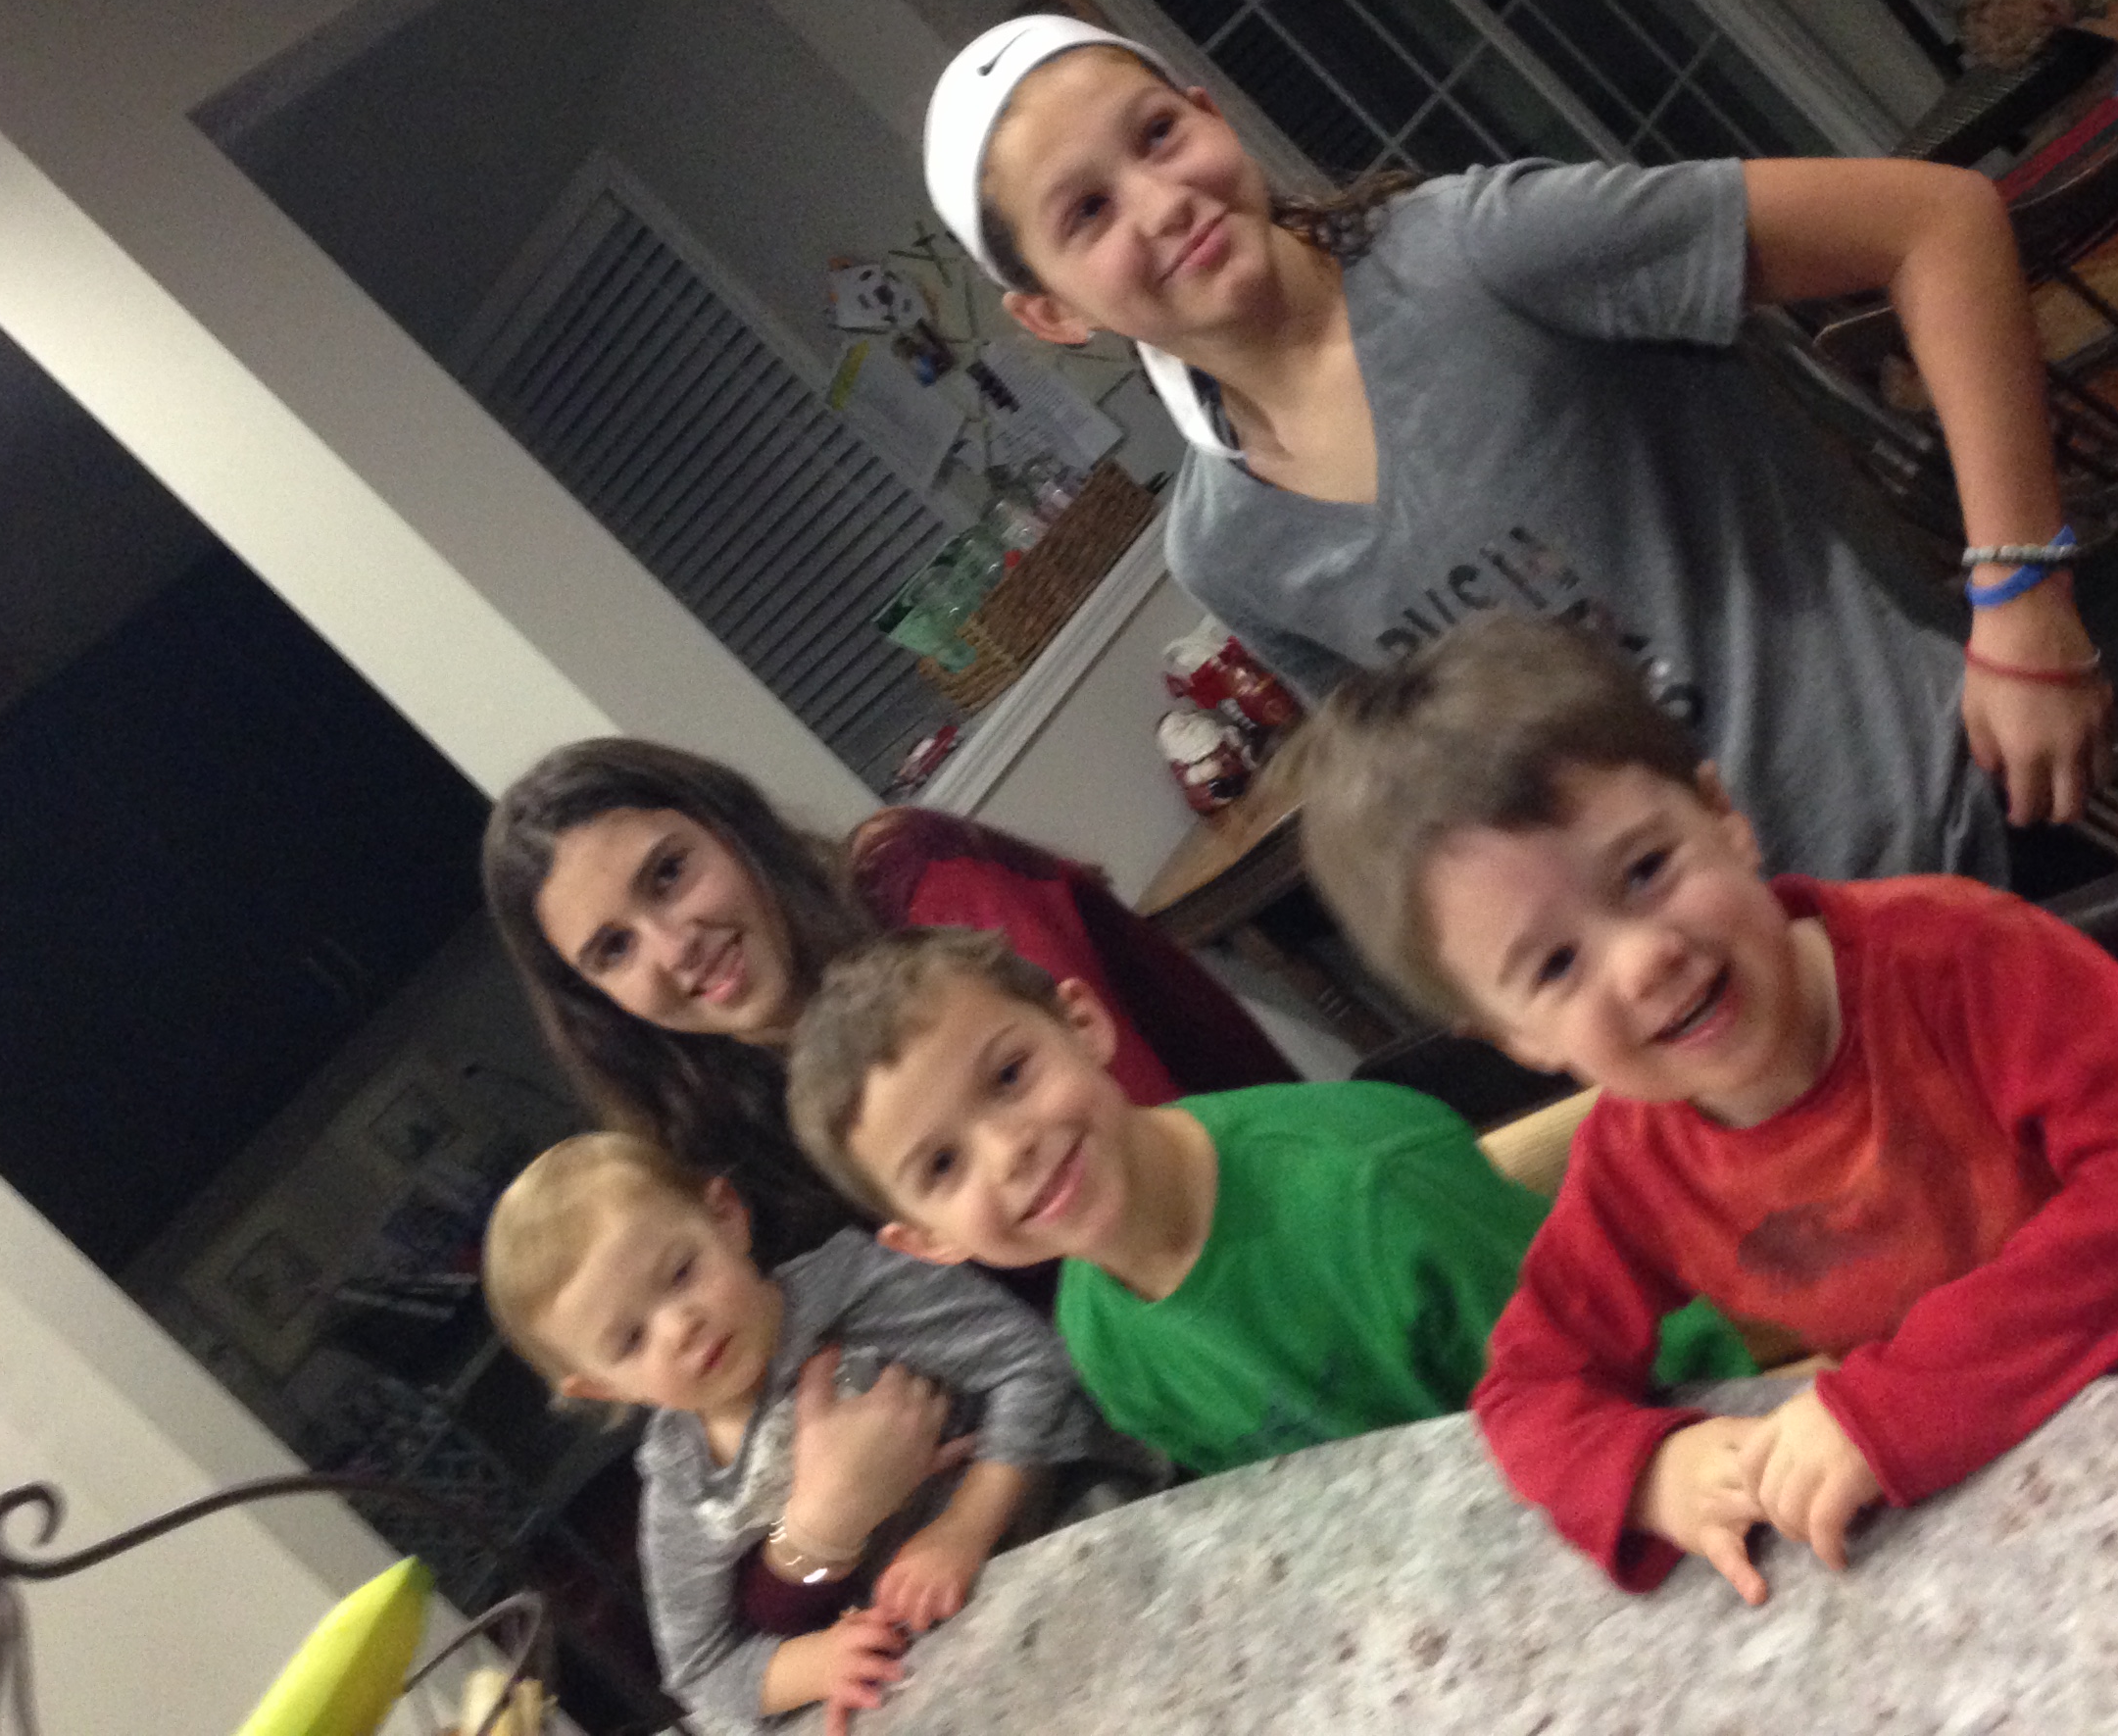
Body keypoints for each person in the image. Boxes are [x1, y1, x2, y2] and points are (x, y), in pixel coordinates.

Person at [1294, 613, 2118, 1604]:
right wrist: (1650, 1472)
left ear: (1724, 816)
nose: (1643, 960)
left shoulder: (1954, 956)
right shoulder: (1632, 1168)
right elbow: (1527, 1386)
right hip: (2035, 1444)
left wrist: (1887, 1410)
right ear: (1516, 1042)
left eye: (1646, 871)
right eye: (1555, 967)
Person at [921, 14, 2117, 890]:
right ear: (1051, 313)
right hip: (1754, 994)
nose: (1160, 202)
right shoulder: (1227, 549)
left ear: (1211, 115)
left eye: (1158, 135)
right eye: (1087, 212)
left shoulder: (1478, 255)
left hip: (1977, 827)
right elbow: (1444, 803)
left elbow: (1935, 223)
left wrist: (2021, 595)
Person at [783, 925, 1754, 1477]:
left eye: (1008, 1076)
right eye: (942, 1167)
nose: (1010, 1152)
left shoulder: (1369, 1190)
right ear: (925, 1241)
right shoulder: (1098, 1330)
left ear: (1082, 1025)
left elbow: (1658, 1379)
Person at [482, 737, 1295, 1265]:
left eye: (668, 874)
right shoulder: (728, 1139)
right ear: (600, 1006)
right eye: (614, 950)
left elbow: (1135, 1187)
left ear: (731, 828)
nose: (673, 946)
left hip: (1272, 1231)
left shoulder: (915, 878)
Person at [484, 1131, 1147, 1734]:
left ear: (726, 1216)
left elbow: (1034, 1363)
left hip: (1065, 1526)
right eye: (630, 1340)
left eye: (682, 1273)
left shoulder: (855, 1287)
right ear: (602, 1387)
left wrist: (966, 1524)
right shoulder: (682, 1486)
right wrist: (818, 1663)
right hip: (933, 1656)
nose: (679, 1326)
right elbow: (701, 1670)